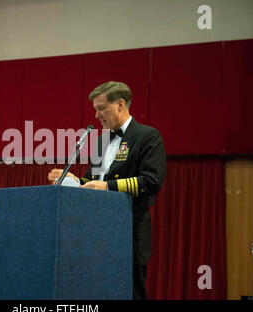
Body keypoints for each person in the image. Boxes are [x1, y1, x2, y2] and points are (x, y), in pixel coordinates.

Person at [48, 81, 166, 300]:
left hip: (130, 228)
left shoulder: (147, 136)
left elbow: (152, 181)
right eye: (95, 109)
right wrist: (75, 181)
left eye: (101, 108)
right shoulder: (101, 142)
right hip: (97, 229)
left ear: (120, 104)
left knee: (130, 292)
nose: (97, 115)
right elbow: (94, 180)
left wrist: (107, 187)